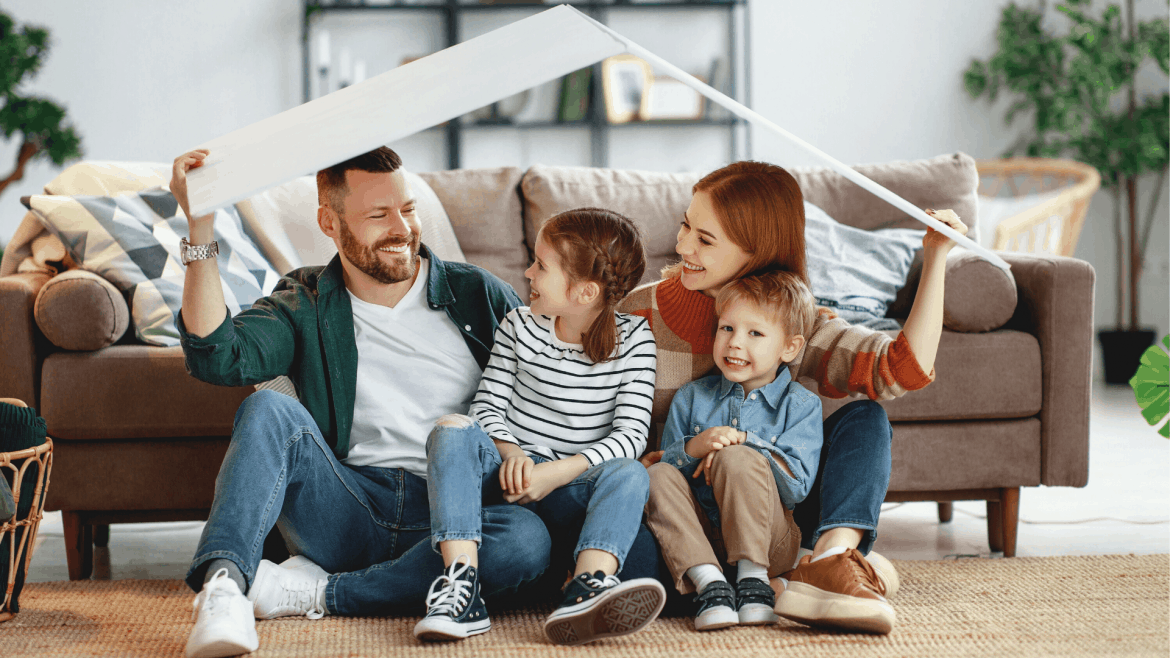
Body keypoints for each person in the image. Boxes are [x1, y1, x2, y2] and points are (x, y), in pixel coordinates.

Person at [171, 147, 551, 658]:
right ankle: (223, 591)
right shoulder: (304, 299)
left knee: (526, 539)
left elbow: (548, 384)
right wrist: (200, 229)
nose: (402, 228)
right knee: (268, 411)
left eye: (408, 209)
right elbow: (218, 357)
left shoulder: (476, 293)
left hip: (455, 516)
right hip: (344, 508)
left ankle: (315, 590)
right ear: (329, 221)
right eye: (379, 215)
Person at [619, 160, 967, 635]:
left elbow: (899, 370)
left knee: (865, 419)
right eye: (685, 227)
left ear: (755, 251)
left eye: (705, 239)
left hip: (775, 511)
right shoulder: (634, 312)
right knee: (630, 566)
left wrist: (937, 256)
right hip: (682, 512)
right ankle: (783, 583)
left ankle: (828, 561)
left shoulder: (796, 323)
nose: (682, 246)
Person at [416, 208, 666, 646]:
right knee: (452, 428)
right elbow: (488, 404)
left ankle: (586, 588)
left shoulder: (636, 341)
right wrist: (512, 453)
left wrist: (556, 472)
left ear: (585, 291)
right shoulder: (519, 326)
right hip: (506, 480)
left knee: (631, 473)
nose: (528, 272)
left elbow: (630, 436)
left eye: (542, 265)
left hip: (570, 490)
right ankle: (461, 587)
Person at [645, 270, 822, 632]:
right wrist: (694, 447)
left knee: (737, 456)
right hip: (701, 537)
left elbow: (798, 486)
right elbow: (669, 481)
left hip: (769, 543)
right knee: (654, 473)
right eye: (727, 329)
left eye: (755, 333)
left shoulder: (801, 405)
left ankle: (754, 582)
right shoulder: (692, 397)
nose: (734, 343)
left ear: (789, 347)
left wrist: (744, 442)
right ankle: (710, 583)